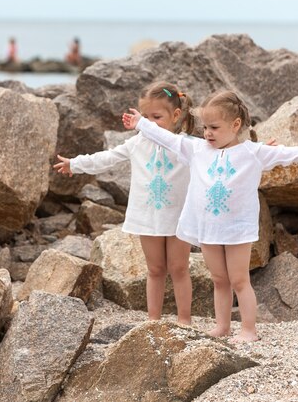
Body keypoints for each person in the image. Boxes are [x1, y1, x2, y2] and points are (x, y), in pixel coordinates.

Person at [122, 91, 298, 342]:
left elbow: (289, 154)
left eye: (215, 127)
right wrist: (141, 123)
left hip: (238, 229)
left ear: (235, 125)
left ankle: (249, 330)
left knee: (239, 280)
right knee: (219, 280)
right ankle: (222, 326)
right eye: (205, 127)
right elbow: (165, 137)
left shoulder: (253, 152)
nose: (208, 133)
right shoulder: (196, 149)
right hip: (208, 229)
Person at [54, 82, 195, 325]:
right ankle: (153, 320)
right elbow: (106, 158)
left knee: (179, 268)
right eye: (145, 117)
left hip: (179, 217)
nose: (149, 123)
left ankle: (185, 320)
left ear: (176, 115)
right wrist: (74, 164)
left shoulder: (185, 145)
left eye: (156, 117)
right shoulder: (137, 143)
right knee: (155, 270)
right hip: (147, 216)